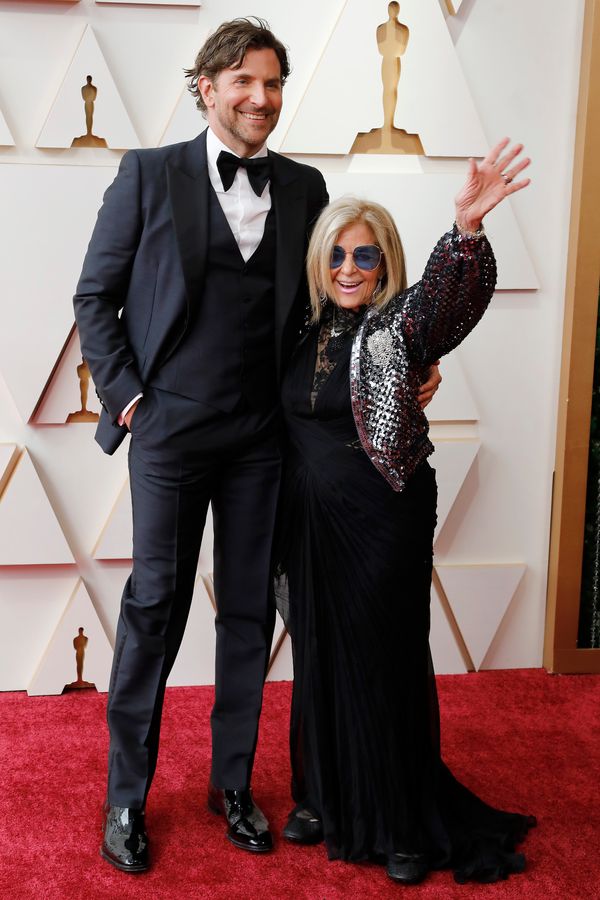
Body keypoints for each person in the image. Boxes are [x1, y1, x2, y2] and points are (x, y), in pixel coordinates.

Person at [73, 15, 443, 874]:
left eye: (273, 83)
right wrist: (129, 401)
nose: (261, 98)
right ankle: (127, 793)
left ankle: (231, 783)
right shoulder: (146, 175)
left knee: (248, 614)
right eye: (243, 81)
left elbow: (340, 311)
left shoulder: (307, 189)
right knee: (154, 610)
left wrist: (407, 372)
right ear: (205, 87)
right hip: (167, 434)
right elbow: (95, 298)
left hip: (263, 444)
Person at [276, 139, 536, 886]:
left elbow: (443, 305)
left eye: (365, 258)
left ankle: (401, 819)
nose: (350, 271)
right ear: (319, 265)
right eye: (336, 258)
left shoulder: (399, 330)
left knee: (384, 658)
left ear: (385, 265)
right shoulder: (296, 333)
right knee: (319, 656)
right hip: (307, 524)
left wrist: (466, 232)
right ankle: (323, 795)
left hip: (382, 518)